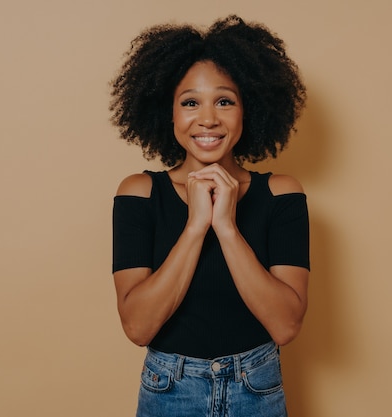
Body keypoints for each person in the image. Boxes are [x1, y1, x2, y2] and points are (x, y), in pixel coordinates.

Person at [109, 15, 310, 417]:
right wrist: (196, 226)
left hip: (257, 388)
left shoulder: (281, 193)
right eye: (189, 102)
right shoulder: (139, 193)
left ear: (246, 109)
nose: (208, 119)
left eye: (224, 101)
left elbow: (285, 327)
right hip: (170, 390)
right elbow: (138, 327)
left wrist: (226, 226)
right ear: (168, 112)